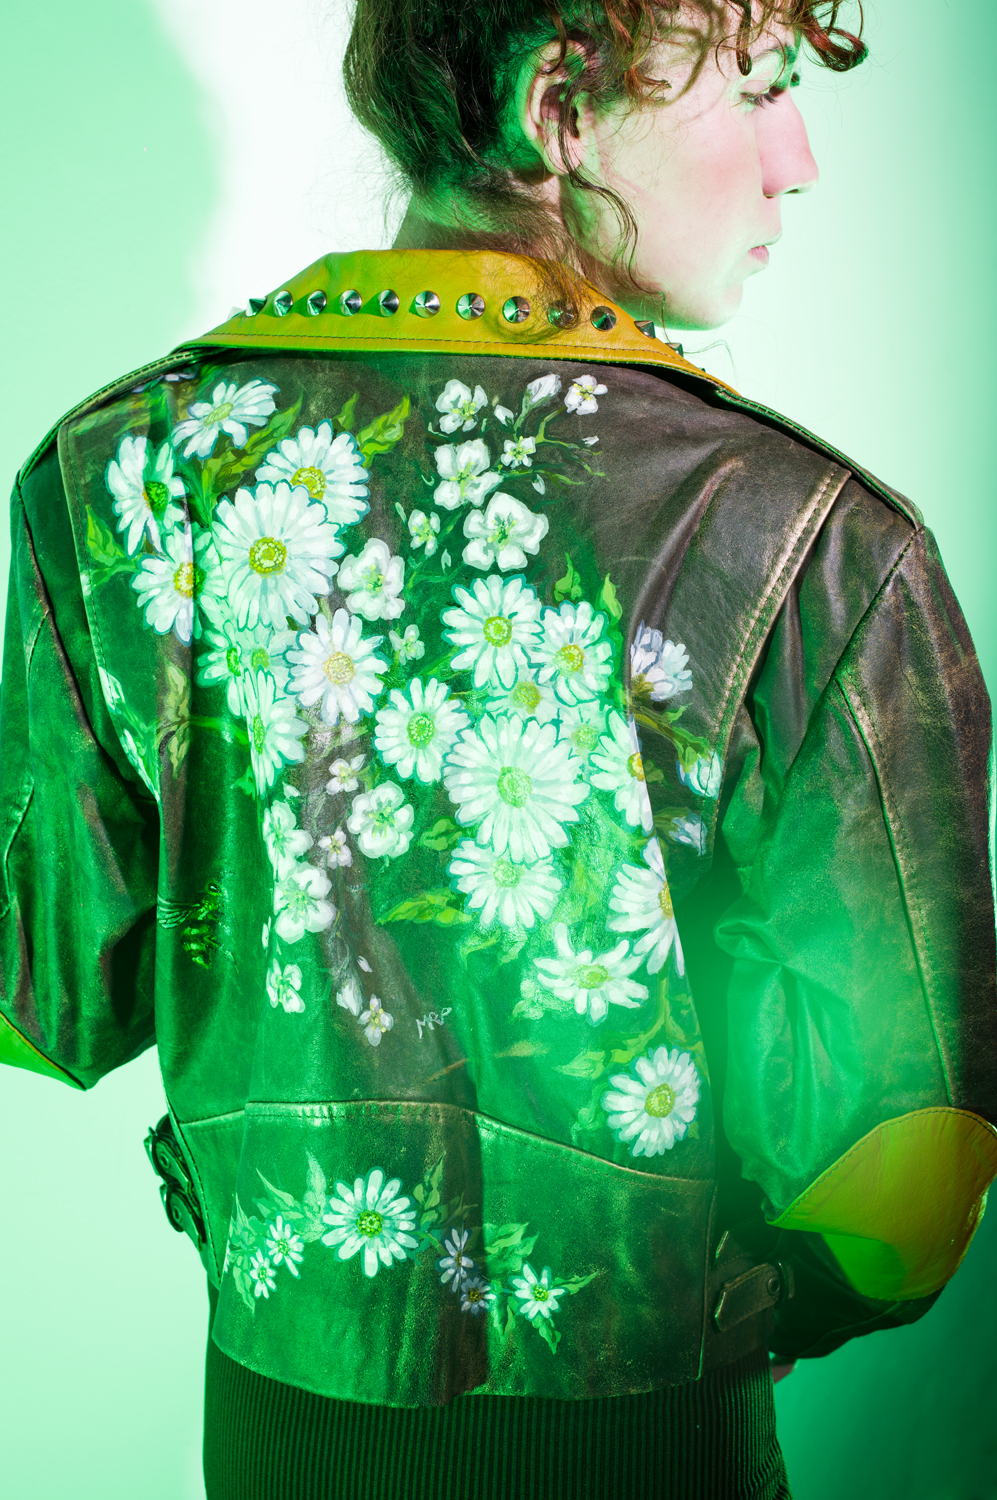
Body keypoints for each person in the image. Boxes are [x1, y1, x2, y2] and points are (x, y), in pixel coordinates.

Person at [2, 2, 996, 1497]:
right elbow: (902, 1185)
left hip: (274, 1428)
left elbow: (41, 1001)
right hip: (647, 1444)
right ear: (560, 103)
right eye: (758, 87)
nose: (796, 159)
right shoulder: (813, 540)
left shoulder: (112, 470)